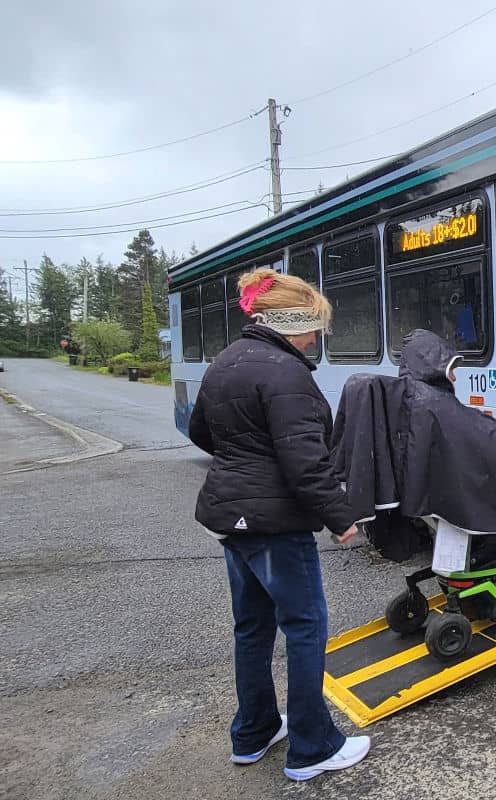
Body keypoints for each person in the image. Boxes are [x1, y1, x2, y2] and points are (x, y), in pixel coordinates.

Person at [187, 268, 370, 782]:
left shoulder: (225, 361)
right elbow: (306, 462)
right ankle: (312, 747)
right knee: (306, 626)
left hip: (231, 519)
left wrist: (245, 462)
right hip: (275, 524)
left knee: (252, 627)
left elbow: (201, 431)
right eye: (313, 327)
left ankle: (254, 732)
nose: (315, 338)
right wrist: (340, 517)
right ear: (292, 323)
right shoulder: (287, 373)